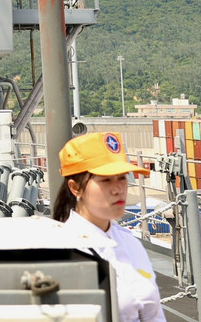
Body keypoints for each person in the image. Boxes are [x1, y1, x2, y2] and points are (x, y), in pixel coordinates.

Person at [54, 131, 165, 322]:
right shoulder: (60, 251)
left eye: (122, 178)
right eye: (105, 180)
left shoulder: (130, 243)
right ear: (75, 188)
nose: (118, 189)